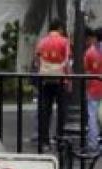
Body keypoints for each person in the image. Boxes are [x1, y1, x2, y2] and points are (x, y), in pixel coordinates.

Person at [36, 19, 71, 149]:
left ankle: (44, 141)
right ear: (60, 28)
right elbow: (67, 62)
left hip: (45, 79)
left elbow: (37, 60)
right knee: (62, 111)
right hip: (60, 79)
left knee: (45, 110)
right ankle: (60, 139)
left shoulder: (42, 41)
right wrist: (69, 79)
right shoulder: (64, 41)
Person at [85, 28, 102, 151]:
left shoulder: (90, 52)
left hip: (94, 88)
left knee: (92, 117)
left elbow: (86, 73)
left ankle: (93, 143)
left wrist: (86, 88)